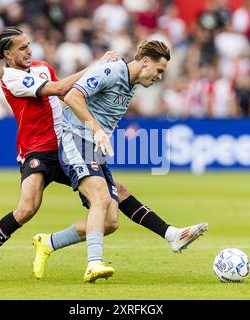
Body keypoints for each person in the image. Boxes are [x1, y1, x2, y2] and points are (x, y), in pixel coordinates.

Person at [0, 27, 208, 283]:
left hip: (65, 143)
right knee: (27, 209)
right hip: (38, 149)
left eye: (29, 45)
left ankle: (53, 242)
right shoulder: (11, 79)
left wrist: (85, 113)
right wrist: (98, 66)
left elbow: (66, 98)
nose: (29, 50)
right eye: (22, 47)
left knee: (113, 211)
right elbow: (61, 90)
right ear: (7, 53)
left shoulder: (42, 67)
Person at [32, 40, 208, 284]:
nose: (159, 76)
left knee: (111, 220)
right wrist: (96, 129)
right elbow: (72, 96)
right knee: (101, 198)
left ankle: (48, 242)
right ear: (145, 61)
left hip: (94, 148)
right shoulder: (111, 71)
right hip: (76, 140)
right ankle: (93, 263)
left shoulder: (130, 84)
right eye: (159, 70)